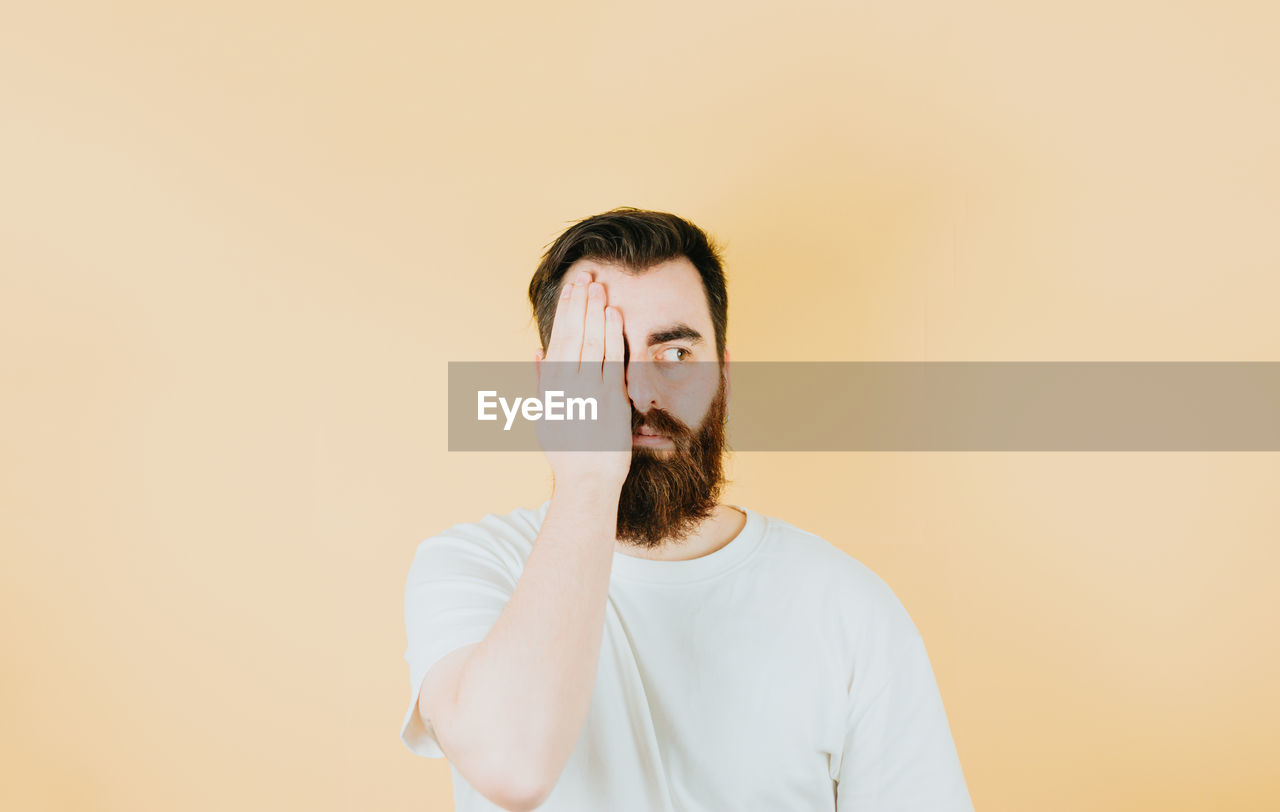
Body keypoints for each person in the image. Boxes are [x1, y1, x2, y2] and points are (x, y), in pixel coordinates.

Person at [400, 207, 975, 811]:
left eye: (674, 355)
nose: (641, 393)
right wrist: (590, 477)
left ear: (722, 373)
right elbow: (513, 770)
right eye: (601, 358)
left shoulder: (849, 608)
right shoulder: (471, 568)